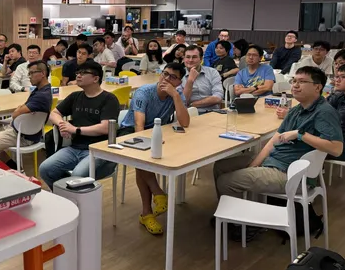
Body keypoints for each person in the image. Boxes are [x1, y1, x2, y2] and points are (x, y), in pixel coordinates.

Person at [215, 66, 342, 202]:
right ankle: (240, 207)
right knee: (220, 166)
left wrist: (300, 135)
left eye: (302, 82)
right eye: (294, 81)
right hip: (275, 160)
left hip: (292, 173)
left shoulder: (324, 112)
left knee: (225, 181)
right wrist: (255, 165)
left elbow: (336, 149)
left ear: (317, 87)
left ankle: (240, 214)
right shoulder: (297, 109)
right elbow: (273, 141)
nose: (295, 85)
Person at [119, 63, 190, 234]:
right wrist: (147, 145)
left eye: (172, 77)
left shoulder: (176, 93)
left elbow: (185, 122)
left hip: (158, 131)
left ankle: (147, 213)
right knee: (143, 160)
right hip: (131, 131)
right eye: (165, 74)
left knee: (141, 166)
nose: (166, 79)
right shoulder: (144, 92)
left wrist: (176, 96)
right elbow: (139, 125)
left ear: (179, 82)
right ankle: (158, 193)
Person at [39, 61, 120, 189]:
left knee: (77, 175)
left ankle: (73, 195)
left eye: (83, 73)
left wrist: (75, 130)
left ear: (96, 78)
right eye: (78, 72)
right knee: (45, 169)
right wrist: (62, 125)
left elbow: (106, 128)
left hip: (99, 150)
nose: (78, 75)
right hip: (75, 148)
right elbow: (53, 113)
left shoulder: (109, 99)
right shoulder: (75, 96)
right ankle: (66, 196)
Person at [0, 61, 53, 168]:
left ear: (43, 73)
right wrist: (20, 109)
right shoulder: (44, 90)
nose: (29, 76)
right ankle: (14, 168)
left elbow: (16, 114)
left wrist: (19, 109)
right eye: (29, 73)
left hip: (22, 135)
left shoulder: (41, 96)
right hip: (30, 133)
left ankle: (9, 173)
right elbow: (21, 110)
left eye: (32, 73)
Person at [181, 45, 224, 113]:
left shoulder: (212, 72)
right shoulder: (178, 75)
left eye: (194, 57)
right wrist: (190, 81)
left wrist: (193, 105)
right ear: (183, 59)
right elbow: (182, 101)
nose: (190, 60)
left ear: (201, 59)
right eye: (188, 57)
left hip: (212, 112)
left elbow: (218, 97)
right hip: (189, 113)